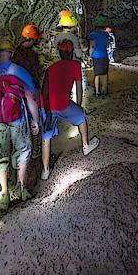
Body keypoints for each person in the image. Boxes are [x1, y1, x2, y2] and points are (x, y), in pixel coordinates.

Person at [0, 36, 41, 209]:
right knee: (23, 149)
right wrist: (35, 121)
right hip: (17, 117)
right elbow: (30, 98)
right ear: (11, 53)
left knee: (0, 154)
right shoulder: (19, 71)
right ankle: (21, 187)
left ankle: (4, 193)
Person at [39, 39, 100, 180]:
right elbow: (79, 87)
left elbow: (45, 89)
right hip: (63, 104)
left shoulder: (51, 68)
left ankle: (45, 170)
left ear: (59, 53)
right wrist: (79, 106)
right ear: (72, 52)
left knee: (45, 138)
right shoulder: (75, 65)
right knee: (81, 118)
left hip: (47, 106)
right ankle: (86, 146)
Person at [12, 23, 44, 159]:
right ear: (33, 40)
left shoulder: (15, 53)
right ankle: (36, 149)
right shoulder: (32, 55)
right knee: (36, 119)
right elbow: (36, 73)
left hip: (17, 91)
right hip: (30, 90)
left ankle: (24, 149)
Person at [88, 14, 111, 97]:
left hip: (96, 56)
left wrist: (90, 56)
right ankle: (104, 90)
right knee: (104, 74)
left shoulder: (92, 35)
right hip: (104, 56)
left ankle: (97, 91)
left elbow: (92, 46)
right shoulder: (106, 35)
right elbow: (107, 44)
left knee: (97, 75)